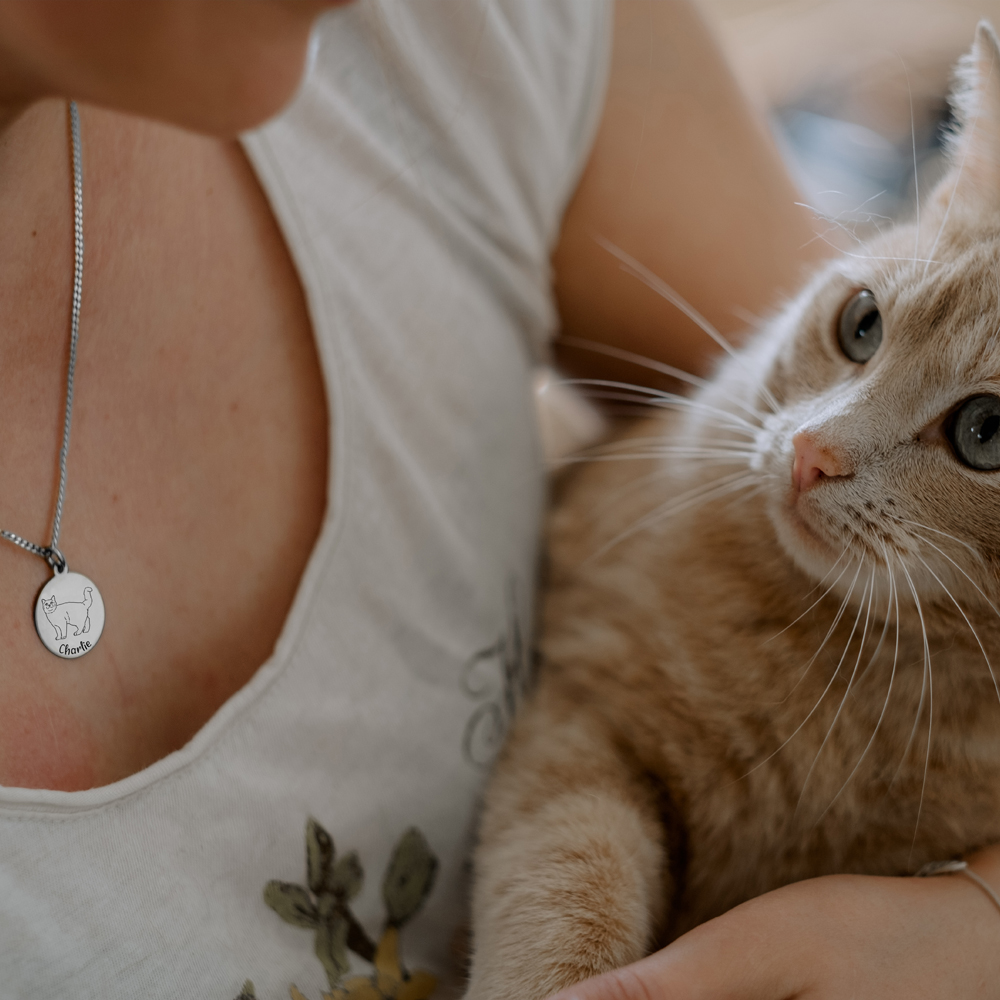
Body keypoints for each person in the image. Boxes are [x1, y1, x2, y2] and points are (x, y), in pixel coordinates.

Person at [0, 1, 996, 997]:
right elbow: (612, 746)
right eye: (860, 327)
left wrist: (976, 926)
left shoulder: (494, 31)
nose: (819, 445)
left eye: (981, 432)